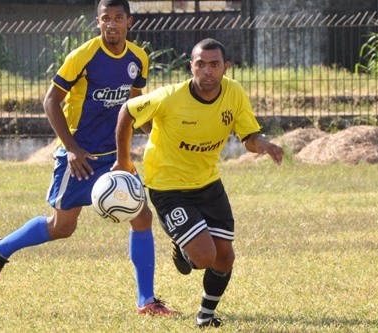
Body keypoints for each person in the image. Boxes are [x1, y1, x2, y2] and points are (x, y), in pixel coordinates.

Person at [0, 0, 176, 315]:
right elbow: (50, 101)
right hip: (79, 157)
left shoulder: (138, 58)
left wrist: (156, 135)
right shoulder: (83, 56)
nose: (111, 24)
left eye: (118, 18)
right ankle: (0, 249)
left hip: (115, 156)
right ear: (98, 22)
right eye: (105, 18)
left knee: (142, 217)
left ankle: (146, 300)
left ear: (130, 22)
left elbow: (135, 102)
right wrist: (70, 147)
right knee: (62, 227)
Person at [112, 38, 284, 327]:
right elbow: (128, 111)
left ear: (225, 68)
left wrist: (264, 144)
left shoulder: (234, 93)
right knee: (205, 257)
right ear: (191, 66)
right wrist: (123, 159)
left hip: (207, 183)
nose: (207, 71)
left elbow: (249, 137)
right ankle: (184, 245)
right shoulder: (170, 97)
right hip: (168, 185)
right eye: (201, 64)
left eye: (214, 65)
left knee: (225, 256)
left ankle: (205, 317)